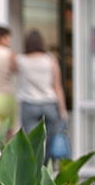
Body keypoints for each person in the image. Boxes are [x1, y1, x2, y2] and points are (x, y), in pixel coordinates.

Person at [16, 30, 69, 161]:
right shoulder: (50, 61)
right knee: (51, 138)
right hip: (49, 103)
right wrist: (62, 109)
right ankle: (46, 166)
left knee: (31, 140)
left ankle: (34, 167)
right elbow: (57, 86)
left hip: (29, 103)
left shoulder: (21, 60)